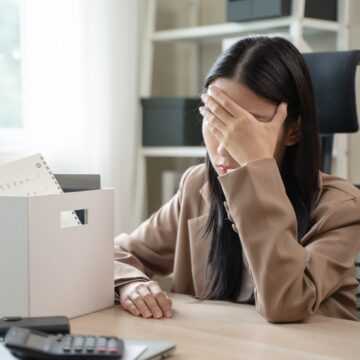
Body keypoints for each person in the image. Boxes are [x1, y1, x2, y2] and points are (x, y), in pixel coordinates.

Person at [114, 36, 360, 323]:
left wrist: (256, 169)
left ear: (293, 131)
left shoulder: (341, 208)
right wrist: (130, 283)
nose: (225, 145)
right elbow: (117, 252)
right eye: (217, 119)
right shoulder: (198, 187)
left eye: (249, 126)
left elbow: (285, 302)